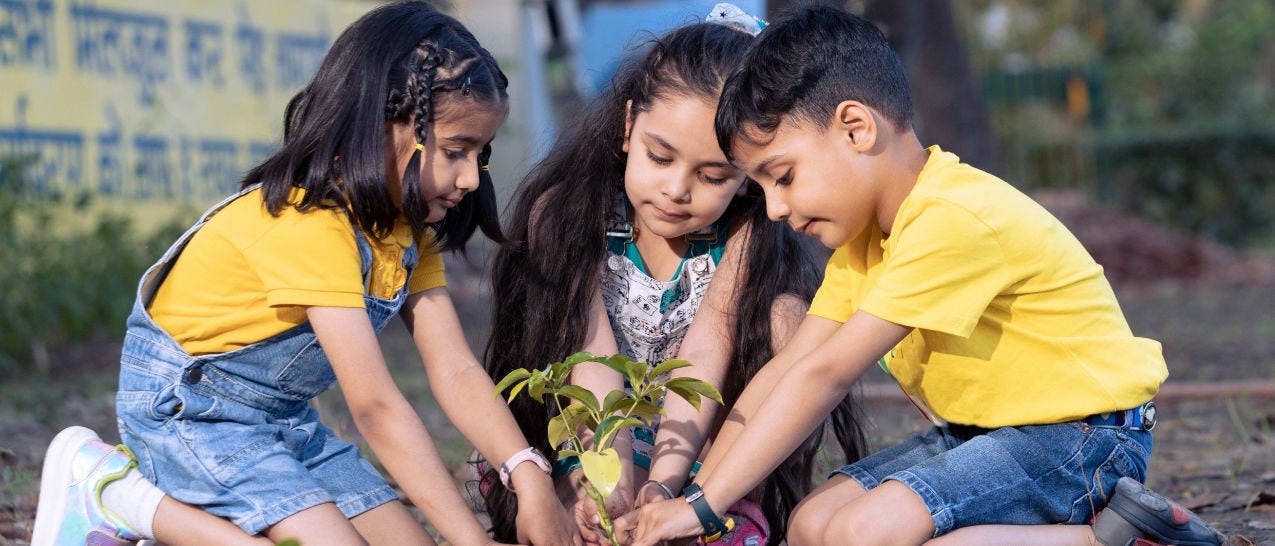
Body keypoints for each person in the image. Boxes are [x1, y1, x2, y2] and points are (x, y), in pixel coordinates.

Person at [619, 5, 1225, 546]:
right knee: (810, 525)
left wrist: (700, 509)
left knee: (866, 532)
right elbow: (788, 369)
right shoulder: (865, 241)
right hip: (985, 436)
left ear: (856, 128)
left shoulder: (950, 219)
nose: (774, 208)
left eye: (783, 175)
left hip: (1083, 441)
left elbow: (825, 375)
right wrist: (693, 496)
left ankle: (1118, 539)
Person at [30, 2, 579, 545]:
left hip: (282, 423)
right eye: (457, 150)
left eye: (479, 155)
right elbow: (376, 408)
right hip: (189, 415)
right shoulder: (312, 226)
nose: (468, 179)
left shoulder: (404, 230)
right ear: (383, 124)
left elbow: (455, 370)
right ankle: (117, 496)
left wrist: (527, 475)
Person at [478, 7, 865, 546]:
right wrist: (605, 481)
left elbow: (706, 355)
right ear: (628, 125)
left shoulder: (743, 235)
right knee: (597, 521)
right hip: (588, 425)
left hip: (696, 439)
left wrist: (665, 488)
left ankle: (720, 503)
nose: (677, 190)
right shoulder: (570, 212)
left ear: (749, 176)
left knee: (787, 317)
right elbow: (589, 355)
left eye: (712, 176)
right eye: (660, 157)